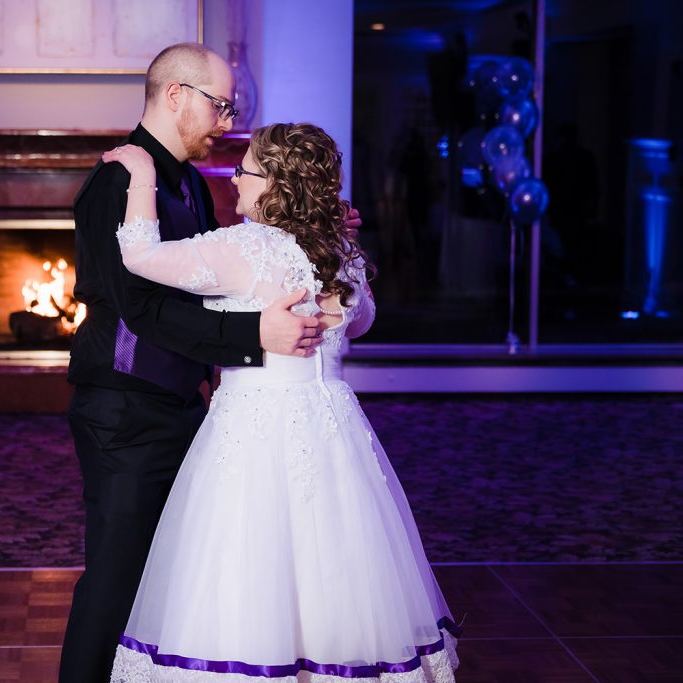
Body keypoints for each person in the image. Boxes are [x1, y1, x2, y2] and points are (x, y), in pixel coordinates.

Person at [103, 123, 459, 682]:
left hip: (254, 427)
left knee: (247, 563)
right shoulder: (340, 251)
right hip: (333, 426)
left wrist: (142, 175)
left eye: (243, 169)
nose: (233, 179)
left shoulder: (243, 246)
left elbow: (140, 256)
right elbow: (360, 322)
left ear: (275, 186)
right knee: (335, 564)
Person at [60, 43, 362, 683]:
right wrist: (257, 337)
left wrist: (318, 231)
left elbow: (236, 270)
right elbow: (139, 307)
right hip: (123, 408)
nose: (226, 120)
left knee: (175, 579)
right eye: (218, 105)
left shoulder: (193, 182)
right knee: (116, 581)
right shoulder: (118, 179)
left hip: (185, 408)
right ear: (175, 94)